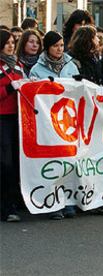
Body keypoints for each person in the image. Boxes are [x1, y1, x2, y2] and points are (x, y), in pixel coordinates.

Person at [0, 30, 24, 222]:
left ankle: (13, 201)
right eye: (6, 43)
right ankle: (5, 207)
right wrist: (8, 88)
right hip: (2, 119)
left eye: (12, 42)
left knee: (16, 162)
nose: (10, 46)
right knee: (5, 163)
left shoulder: (18, 65)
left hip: (18, 118)